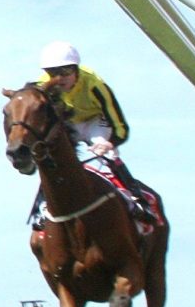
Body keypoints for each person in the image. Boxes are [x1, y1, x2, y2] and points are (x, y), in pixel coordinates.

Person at [39, 41, 152, 222]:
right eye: (52, 73)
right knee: (53, 159)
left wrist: (110, 143)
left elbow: (120, 126)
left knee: (107, 155)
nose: (59, 78)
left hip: (95, 121)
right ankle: (40, 208)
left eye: (66, 71)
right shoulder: (42, 86)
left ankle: (137, 200)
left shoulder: (95, 84)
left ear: (76, 69)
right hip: (70, 123)